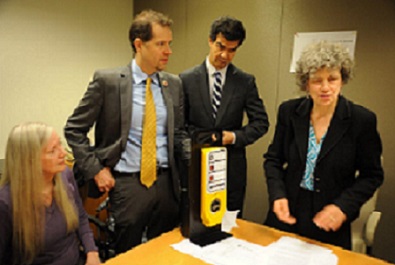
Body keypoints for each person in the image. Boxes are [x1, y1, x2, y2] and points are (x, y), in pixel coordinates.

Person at [64, 9, 188, 254]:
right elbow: (74, 129)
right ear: (139, 44)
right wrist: (96, 170)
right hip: (129, 184)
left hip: (167, 184)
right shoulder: (108, 81)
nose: (168, 51)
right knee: (127, 253)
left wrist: (202, 161)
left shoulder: (173, 84)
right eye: (160, 44)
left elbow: (179, 134)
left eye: (169, 43)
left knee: (163, 252)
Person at [263, 41, 384, 249]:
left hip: (330, 220)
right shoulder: (290, 112)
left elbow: (372, 175)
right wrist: (277, 195)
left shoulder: (362, 120)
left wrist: (343, 207)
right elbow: (273, 159)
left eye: (332, 79)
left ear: (343, 80)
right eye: (317, 80)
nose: (325, 87)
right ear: (306, 84)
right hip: (287, 214)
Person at [180, 16, 269, 217]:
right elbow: (179, 125)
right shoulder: (186, 80)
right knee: (196, 223)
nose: (225, 55)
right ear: (210, 41)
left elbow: (261, 123)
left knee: (229, 226)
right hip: (196, 166)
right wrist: (195, 143)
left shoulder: (245, 81)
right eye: (220, 46)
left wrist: (235, 137)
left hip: (231, 169)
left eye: (232, 50)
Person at [0, 122, 100, 265]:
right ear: (29, 160)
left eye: (60, 144)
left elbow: (81, 217)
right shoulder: (5, 203)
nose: (63, 153)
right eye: (53, 150)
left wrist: (92, 252)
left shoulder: (65, 175)